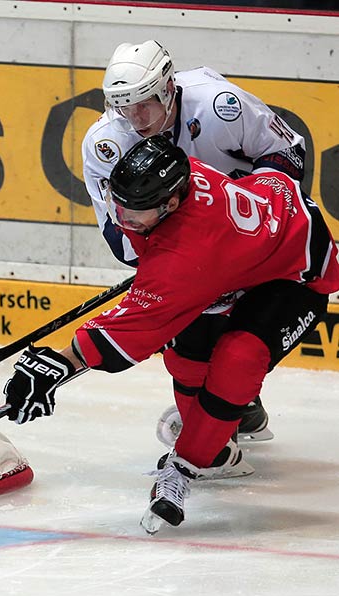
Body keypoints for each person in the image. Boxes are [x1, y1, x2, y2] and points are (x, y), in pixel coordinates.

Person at [6, 135, 339, 533]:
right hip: (247, 248)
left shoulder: (187, 255)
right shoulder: (180, 181)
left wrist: (61, 362)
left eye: (136, 214)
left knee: (238, 359)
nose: (123, 220)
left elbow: (128, 333)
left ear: (172, 204)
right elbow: (160, 290)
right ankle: (233, 424)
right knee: (185, 354)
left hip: (297, 275)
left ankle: (187, 466)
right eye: (120, 206)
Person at [82, 40, 307, 448]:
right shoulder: (106, 145)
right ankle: (228, 418)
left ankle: (236, 401)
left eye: (145, 103)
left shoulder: (220, 105)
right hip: (188, 257)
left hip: (253, 240)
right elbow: (121, 240)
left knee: (251, 333)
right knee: (188, 347)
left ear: (169, 87)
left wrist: (240, 207)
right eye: (123, 106)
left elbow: (287, 152)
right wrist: (182, 238)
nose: (136, 119)